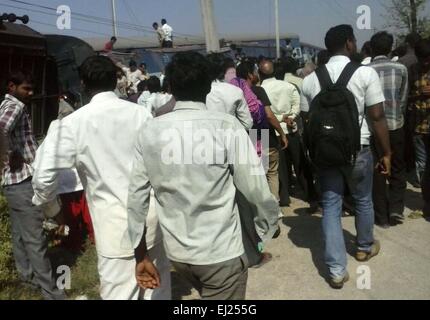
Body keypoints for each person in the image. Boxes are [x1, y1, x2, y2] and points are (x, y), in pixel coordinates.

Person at [127, 51, 279, 300]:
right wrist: (265, 227)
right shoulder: (226, 126)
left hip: (179, 254)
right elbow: (255, 189)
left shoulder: (150, 130)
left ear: (172, 87)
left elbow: (136, 197)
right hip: (221, 253)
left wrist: (140, 253)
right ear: (209, 87)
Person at [31, 56, 171, 300]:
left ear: (83, 84)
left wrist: (53, 210)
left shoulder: (72, 124)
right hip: (152, 222)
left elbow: (42, 177)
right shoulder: (141, 115)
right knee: (157, 293)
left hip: (114, 228)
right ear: (116, 80)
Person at [301, 25, 391, 289]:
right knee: (363, 199)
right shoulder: (365, 73)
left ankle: (337, 270)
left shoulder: (310, 79)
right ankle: (363, 247)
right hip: (358, 149)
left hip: (326, 153)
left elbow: (307, 120)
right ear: (350, 44)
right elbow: (377, 116)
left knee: (331, 205)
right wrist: (387, 152)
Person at [0, 70, 66, 300]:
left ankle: (27, 281)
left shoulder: (5, 104)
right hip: (22, 181)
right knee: (35, 239)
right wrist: (9, 153)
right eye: (26, 88)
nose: (30, 93)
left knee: (20, 236)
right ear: (11, 86)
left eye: (31, 89)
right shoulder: (15, 106)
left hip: (11, 184)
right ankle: (51, 292)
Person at [369, 31, 409, 228]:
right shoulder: (401, 69)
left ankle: (381, 215)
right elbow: (403, 99)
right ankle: (395, 209)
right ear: (390, 46)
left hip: (374, 129)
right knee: (397, 167)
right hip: (395, 125)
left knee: (377, 169)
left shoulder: (365, 70)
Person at [260, 60, 301, 208]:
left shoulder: (260, 90)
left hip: (274, 132)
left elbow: (266, 114)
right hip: (291, 128)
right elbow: (297, 104)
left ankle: (284, 198)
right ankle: (311, 195)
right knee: (300, 164)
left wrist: (279, 118)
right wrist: (291, 116)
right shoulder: (289, 86)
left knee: (279, 170)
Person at [408, 39, 430, 218]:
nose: (425, 63)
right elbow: (406, 96)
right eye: (422, 59)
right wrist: (418, 95)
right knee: (422, 167)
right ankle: (427, 201)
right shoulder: (412, 70)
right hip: (418, 127)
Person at [206, 53, 253, 130]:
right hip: (232, 137)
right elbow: (248, 124)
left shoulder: (200, 92)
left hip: (204, 137)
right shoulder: (236, 91)